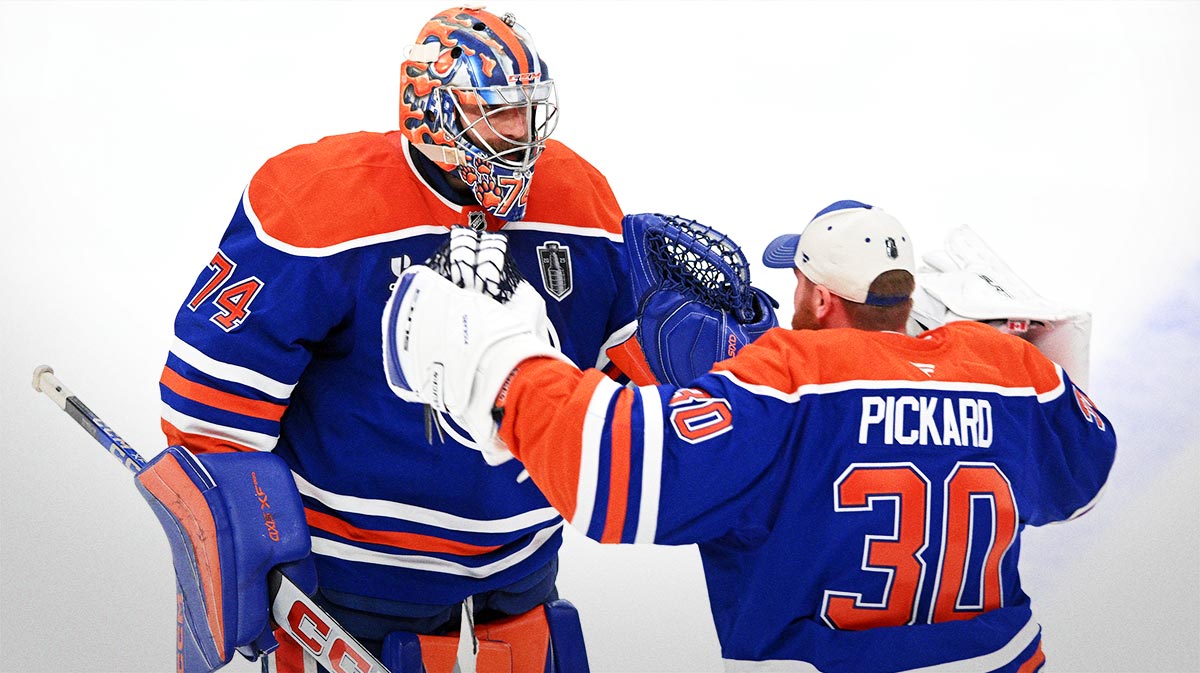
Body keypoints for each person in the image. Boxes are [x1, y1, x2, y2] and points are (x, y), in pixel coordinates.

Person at [384, 200, 1117, 672]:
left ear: (821, 296)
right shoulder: (1005, 372)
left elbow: (615, 469)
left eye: (796, 280)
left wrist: (504, 364)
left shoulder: (784, 385)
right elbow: (1084, 472)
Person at [157, 6, 655, 669]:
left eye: (529, 111)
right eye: (498, 112)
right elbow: (205, 405)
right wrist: (253, 551)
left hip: (522, 584)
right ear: (434, 114)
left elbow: (629, 389)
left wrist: (712, 363)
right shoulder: (321, 205)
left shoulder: (578, 199)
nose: (525, 135)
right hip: (351, 595)